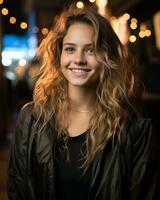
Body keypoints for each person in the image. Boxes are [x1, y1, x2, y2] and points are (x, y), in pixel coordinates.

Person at [7, 5, 159, 200]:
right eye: (70, 49)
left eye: (91, 50)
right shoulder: (31, 119)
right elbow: (18, 190)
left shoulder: (135, 130)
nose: (78, 59)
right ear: (59, 55)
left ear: (108, 57)